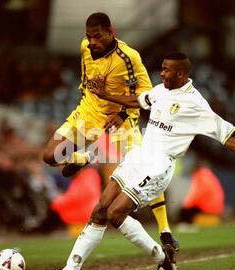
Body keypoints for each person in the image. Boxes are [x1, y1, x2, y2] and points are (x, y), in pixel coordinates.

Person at [39, 52, 235, 270]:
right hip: (138, 156)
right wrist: (104, 94)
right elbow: (137, 100)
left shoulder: (195, 103)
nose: (161, 73)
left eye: (166, 70)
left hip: (158, 165)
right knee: (100, 209)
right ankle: (71, 268)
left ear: (180, 73)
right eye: (162, 68)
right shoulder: (160, 91)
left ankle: (160, 257)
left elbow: (223, 132)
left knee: (116, 213)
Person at [42, 12, 179, 252]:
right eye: (89, 36)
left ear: (111, 32)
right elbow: (87, 84)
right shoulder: (84, 48)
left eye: (97, 36)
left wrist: (123, 114)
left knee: (149, 167)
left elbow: (149, 96)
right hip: (87, 115)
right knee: (50, 156)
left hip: (121, 124)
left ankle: (165, 231)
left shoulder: (130, 57)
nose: (92, 41)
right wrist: (86, 109)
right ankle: (82, 158)